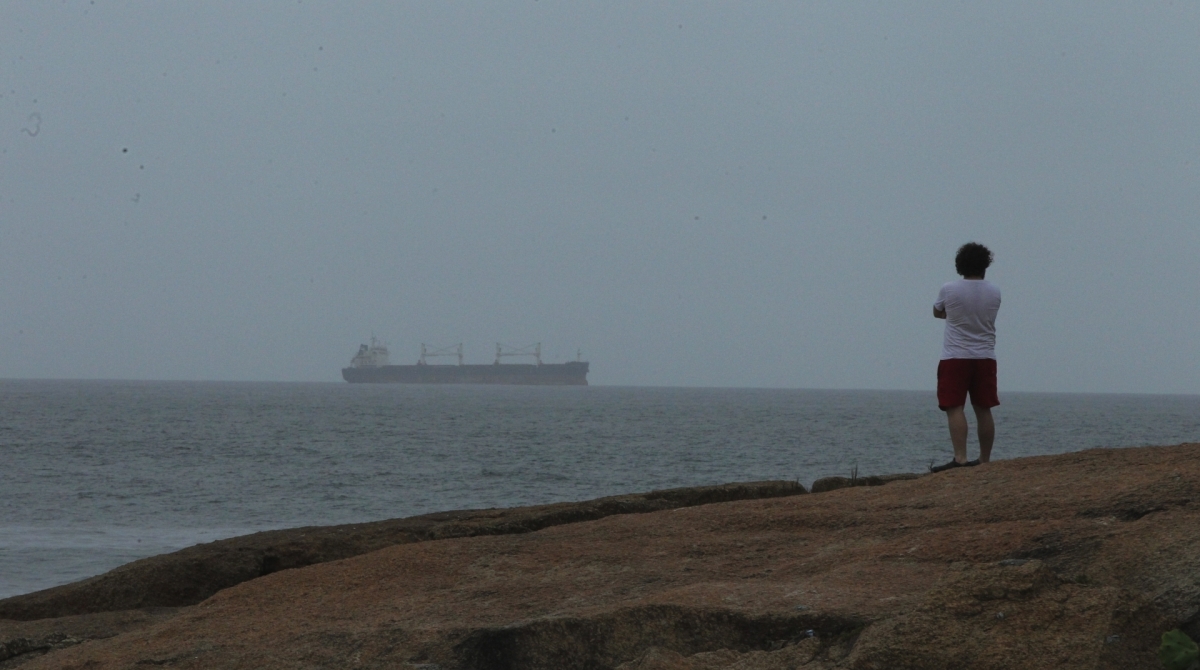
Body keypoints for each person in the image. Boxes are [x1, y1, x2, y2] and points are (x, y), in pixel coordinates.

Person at [930, 242, 1001, 473]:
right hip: (985, 356)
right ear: (985, 265)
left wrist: (952, 314)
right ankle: (984, 460)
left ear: (960, 265)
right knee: (983, 408)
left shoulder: (949, 289)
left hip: (955, 356)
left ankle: (960, 458)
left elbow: (937, 311)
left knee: (954, 407)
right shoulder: (994, 291)